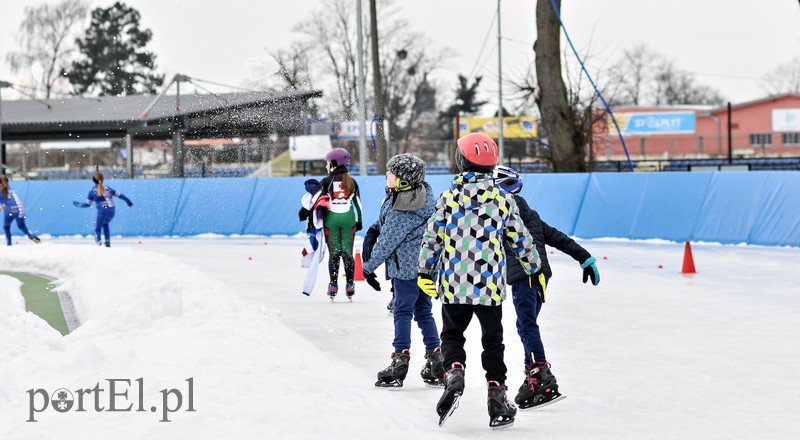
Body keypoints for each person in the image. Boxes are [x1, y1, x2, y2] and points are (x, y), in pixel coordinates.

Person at [417, 133, 541, 429]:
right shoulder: (502, 199)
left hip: (454, 282)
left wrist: (425, 271)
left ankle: (455, 371)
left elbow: (432, 237)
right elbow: (520, 238)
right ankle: (496, 396)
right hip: (489, 285)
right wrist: (533, 266)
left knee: (452, 335)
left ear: (461, 161)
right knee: (493, 341)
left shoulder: (449, 198)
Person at [493, 164, 600, 410]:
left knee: (527, 324)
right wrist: (585, 258)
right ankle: (533, 375)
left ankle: (540, 374)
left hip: (524, 274)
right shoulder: (531, 214)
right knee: (525, 324)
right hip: (540, 276)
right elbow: (559, 238)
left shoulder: (502, 214)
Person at [361, 154, 444, 389]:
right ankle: (436, 358)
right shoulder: (419, 195)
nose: (387, 176)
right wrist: (373, 229)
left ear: (404, 180)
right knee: (423, 311)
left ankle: (400, 361)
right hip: (426, 268)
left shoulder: (403, 207)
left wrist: (367, 268)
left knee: (402, 311)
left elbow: (388, 241)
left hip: (407, 270)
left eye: (391, 173)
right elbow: (385, 224)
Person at [316, 148, 363, 301]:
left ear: (334, 163)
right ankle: (350, 284)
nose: (326, 166)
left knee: (335, 253)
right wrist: (359, 221)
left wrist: (315, 221)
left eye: (327, 163)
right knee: (347, 252)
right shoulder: (352, 181)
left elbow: (318, 203)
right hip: (348, 219)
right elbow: (358, 204)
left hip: (332, 220)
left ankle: (333, 284)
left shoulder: (325, 181)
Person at [73, 172, 133, 247]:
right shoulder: (108, 188)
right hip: (112, 210)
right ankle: (107, 242)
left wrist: (79, 205)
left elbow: (87, 204)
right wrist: (129, 202)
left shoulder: (92, 190)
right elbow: (120, 195)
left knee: (97, 229)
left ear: (93, 180)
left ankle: (99, 244)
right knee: (105, 224)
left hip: (102, 210)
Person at [0, 176, 41, 246]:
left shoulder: (1, 192)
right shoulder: (11, 189)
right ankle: (30, 235)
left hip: (9, 210)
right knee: (21, 225)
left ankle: (9, 243)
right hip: (20, 208)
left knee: (6, 226)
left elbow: (3, 205)